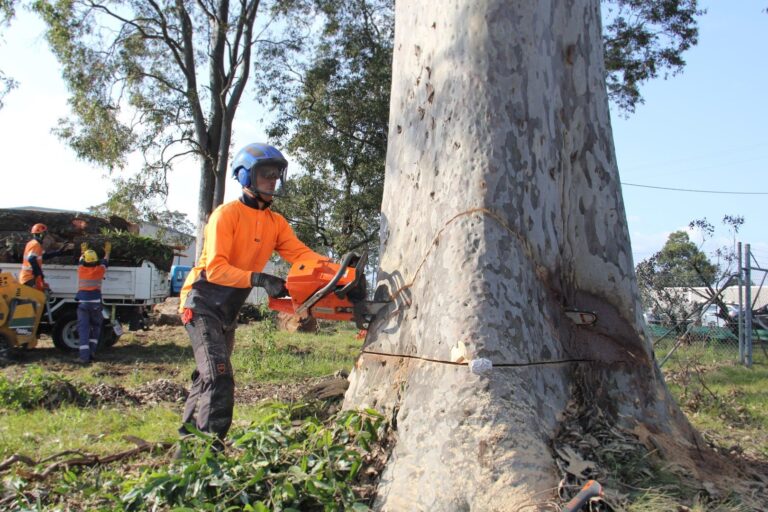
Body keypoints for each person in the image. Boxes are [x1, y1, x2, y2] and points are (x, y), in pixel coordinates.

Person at [177, 142, 323, 447]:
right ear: (246, 176)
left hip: (227, 311)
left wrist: (337, 272)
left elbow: (303, 256)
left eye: (276, 174)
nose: (272, 180)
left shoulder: (276, 223)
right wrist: (259, 278)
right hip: (201, 302)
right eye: (265, 174)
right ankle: (209, 455)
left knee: (207, 378)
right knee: (219, 377)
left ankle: (187, 450)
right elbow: (215, 269)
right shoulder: (225, 215)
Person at [74, 242, 111, 365]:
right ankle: (92, 352)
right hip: (95, 304)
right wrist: (107, 252)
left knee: (84, 330)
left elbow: (80, 260)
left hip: (83, 304)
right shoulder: (100, 270)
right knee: (96, 328)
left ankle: (84, 357)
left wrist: (82, 252)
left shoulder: (81, 269)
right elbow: (105, 261)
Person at [18, 223, 72, 289]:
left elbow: (44, 256)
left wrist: (58, 252)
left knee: (40, 295)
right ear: (41, 235)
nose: (46, 236)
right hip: (29, 277)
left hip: (29, 276)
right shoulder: (35, 244)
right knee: (36, 297)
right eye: (45, 234)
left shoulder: (36, 244)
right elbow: (31, 259)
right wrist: (38, 273)